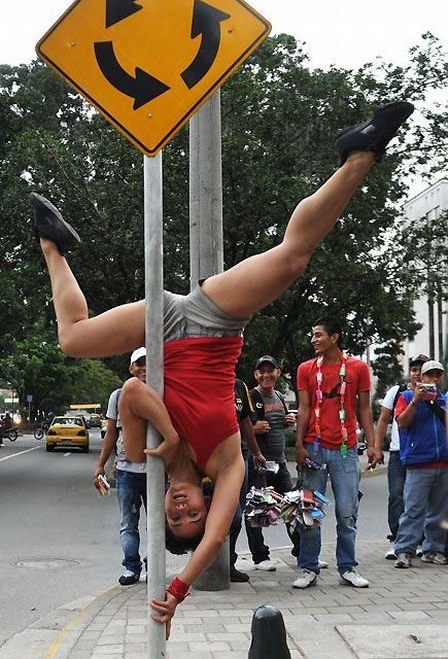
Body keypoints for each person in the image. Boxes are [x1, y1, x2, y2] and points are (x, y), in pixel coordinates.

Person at [29, 101, 413, 633]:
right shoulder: (226, 466)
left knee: (71, 339)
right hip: (214, 326)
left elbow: (132, 394)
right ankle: (360, 155)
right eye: (193, 515)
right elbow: (213, 541)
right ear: (205, 506)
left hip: (161, 327)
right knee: (293, 258)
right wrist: (179, 589)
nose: (184, 509)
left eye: (174, 516)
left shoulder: (145, 457)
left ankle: (53, 246)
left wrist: (165, 434)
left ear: (162, 505)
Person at [294, 316, 382, 589]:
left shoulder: (358, 368)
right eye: (312, 335)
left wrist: (373, 444)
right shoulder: (305, 369)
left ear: (335, 337)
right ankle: (308, 567)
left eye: (318, 334)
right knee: (311, 512)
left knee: (347, 512)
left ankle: (348, 567)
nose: (313, 340)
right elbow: (305, 408)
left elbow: (364, 409)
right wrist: (299, 444)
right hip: (315, 449)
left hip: (345, 451)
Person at [93, 347, 148, 586]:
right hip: (126, 471)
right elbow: (111, 433)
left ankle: (154, 565)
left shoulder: (161, 392)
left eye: (148, 363)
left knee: (159, 524)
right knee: (129, 523)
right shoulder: (118, 396)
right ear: (131, 368)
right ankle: (131, 567)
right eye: (139, 364)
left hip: (156, 472)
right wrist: (101, 465)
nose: (144, 368)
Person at [393, 360, 448, 569]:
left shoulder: (444, 399)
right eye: (429, 375)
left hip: (443, 462)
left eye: (437, 375)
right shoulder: (406, 397)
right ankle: (404, 551)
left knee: (440, 511)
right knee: (413, 509)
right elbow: (402, 423)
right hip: (418, 463)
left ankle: (433, 549)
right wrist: (416, 400)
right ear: (421, 378)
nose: (433, 379)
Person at [374, 353, 429, 560]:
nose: (417, 374)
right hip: (398, 453)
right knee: (397, 495)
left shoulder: (434, 394)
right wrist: (378, 448)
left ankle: (420, 541)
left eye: (421, 370)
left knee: (420, 499)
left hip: (423, 455)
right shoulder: (397, 392)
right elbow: (383, 421)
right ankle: (396, 540)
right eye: (414, 370)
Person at [244, 355, 296, 571]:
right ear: (256, 374)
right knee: (256, 511)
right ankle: (259, 556)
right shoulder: (250, 397)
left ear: (278, 373)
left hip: (280, 462)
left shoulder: (280, 397)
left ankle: (301, 551)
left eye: (270, 371)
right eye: (261, 371)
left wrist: (287, 422)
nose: (266, 375)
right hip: (258, 463)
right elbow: (239, 427)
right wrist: (254, 430)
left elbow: (276, 426)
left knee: (292, 508)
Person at [228, 378, 266, 582]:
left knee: (237, 513)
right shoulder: (204, 380)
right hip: (211, 460)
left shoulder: (240, 387)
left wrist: (256, 452)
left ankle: (228, 562)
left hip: (238, 458)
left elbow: (245, 421)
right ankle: (207, 564)